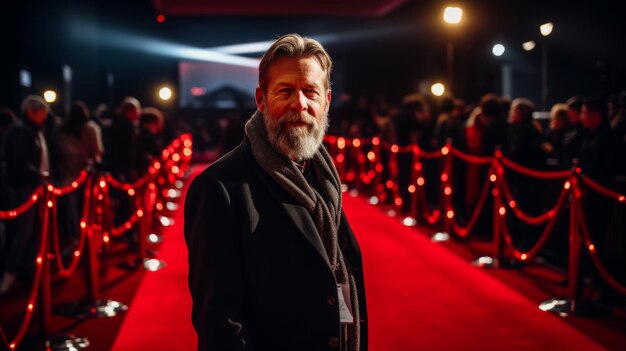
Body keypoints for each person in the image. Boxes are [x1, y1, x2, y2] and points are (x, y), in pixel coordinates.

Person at [184, 33, 367, 351]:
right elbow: (219, 325)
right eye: (285, 91)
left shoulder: (324, 175)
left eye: (310, 91)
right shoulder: (218, 188)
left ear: (326, 100)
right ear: (261, 99)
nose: (300, 103)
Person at [0, 96, 51, 294]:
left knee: (31, 232)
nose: (45, 116)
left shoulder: (32, 129)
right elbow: (19, 162)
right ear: (31, 112)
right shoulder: (22, 130)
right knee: (23, 233)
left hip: (32, 187)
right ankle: (10, 274)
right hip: (23, 188)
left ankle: (27, 272)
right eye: (42, 112)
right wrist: (40, 176)